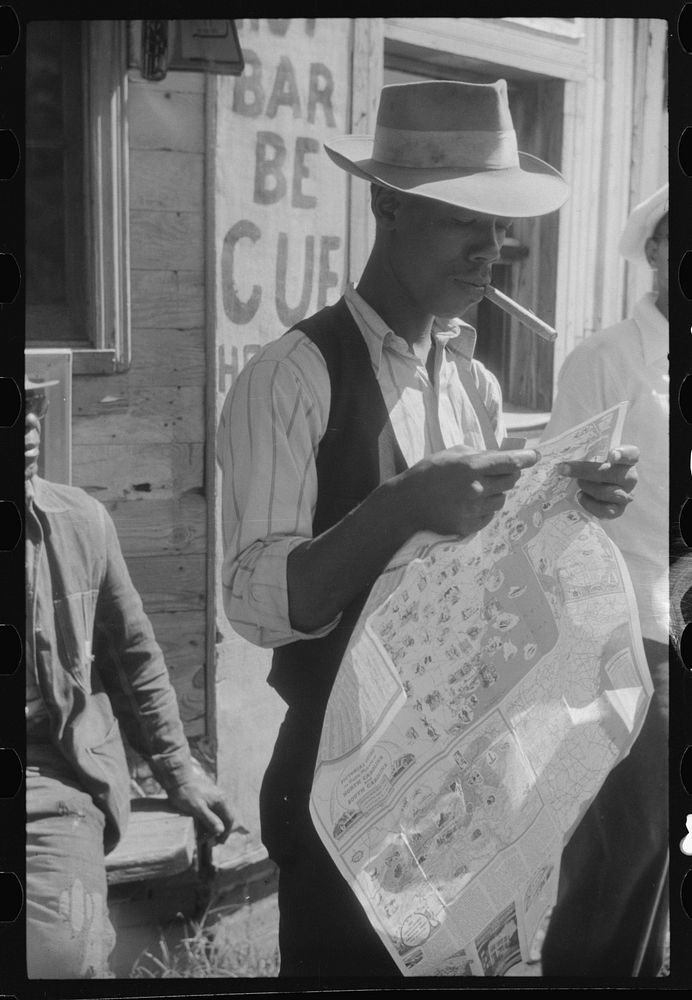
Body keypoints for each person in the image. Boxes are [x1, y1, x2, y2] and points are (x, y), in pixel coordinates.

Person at [217, 80, 640, 978]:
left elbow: (474, 567)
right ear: (388, 205)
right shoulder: (293, 378)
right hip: (341, 792)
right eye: (466, 222)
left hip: (461, 787)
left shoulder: (473, 381)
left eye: (500, 228)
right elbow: (258, 604)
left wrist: (566, 500)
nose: (493, 250)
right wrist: (401, 506)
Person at [25, 371, 234, 979]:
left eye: (32, 404)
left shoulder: (81, 522)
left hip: (50, 780)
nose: (29, 425)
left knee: (63, 956)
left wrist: (178, 769)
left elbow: (133, 656)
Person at [539, 184, 669, 977]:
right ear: (655, 252)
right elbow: (556, 495)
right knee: (628, 835)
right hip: (629, 632)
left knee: (665, 840)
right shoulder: (606, 359)